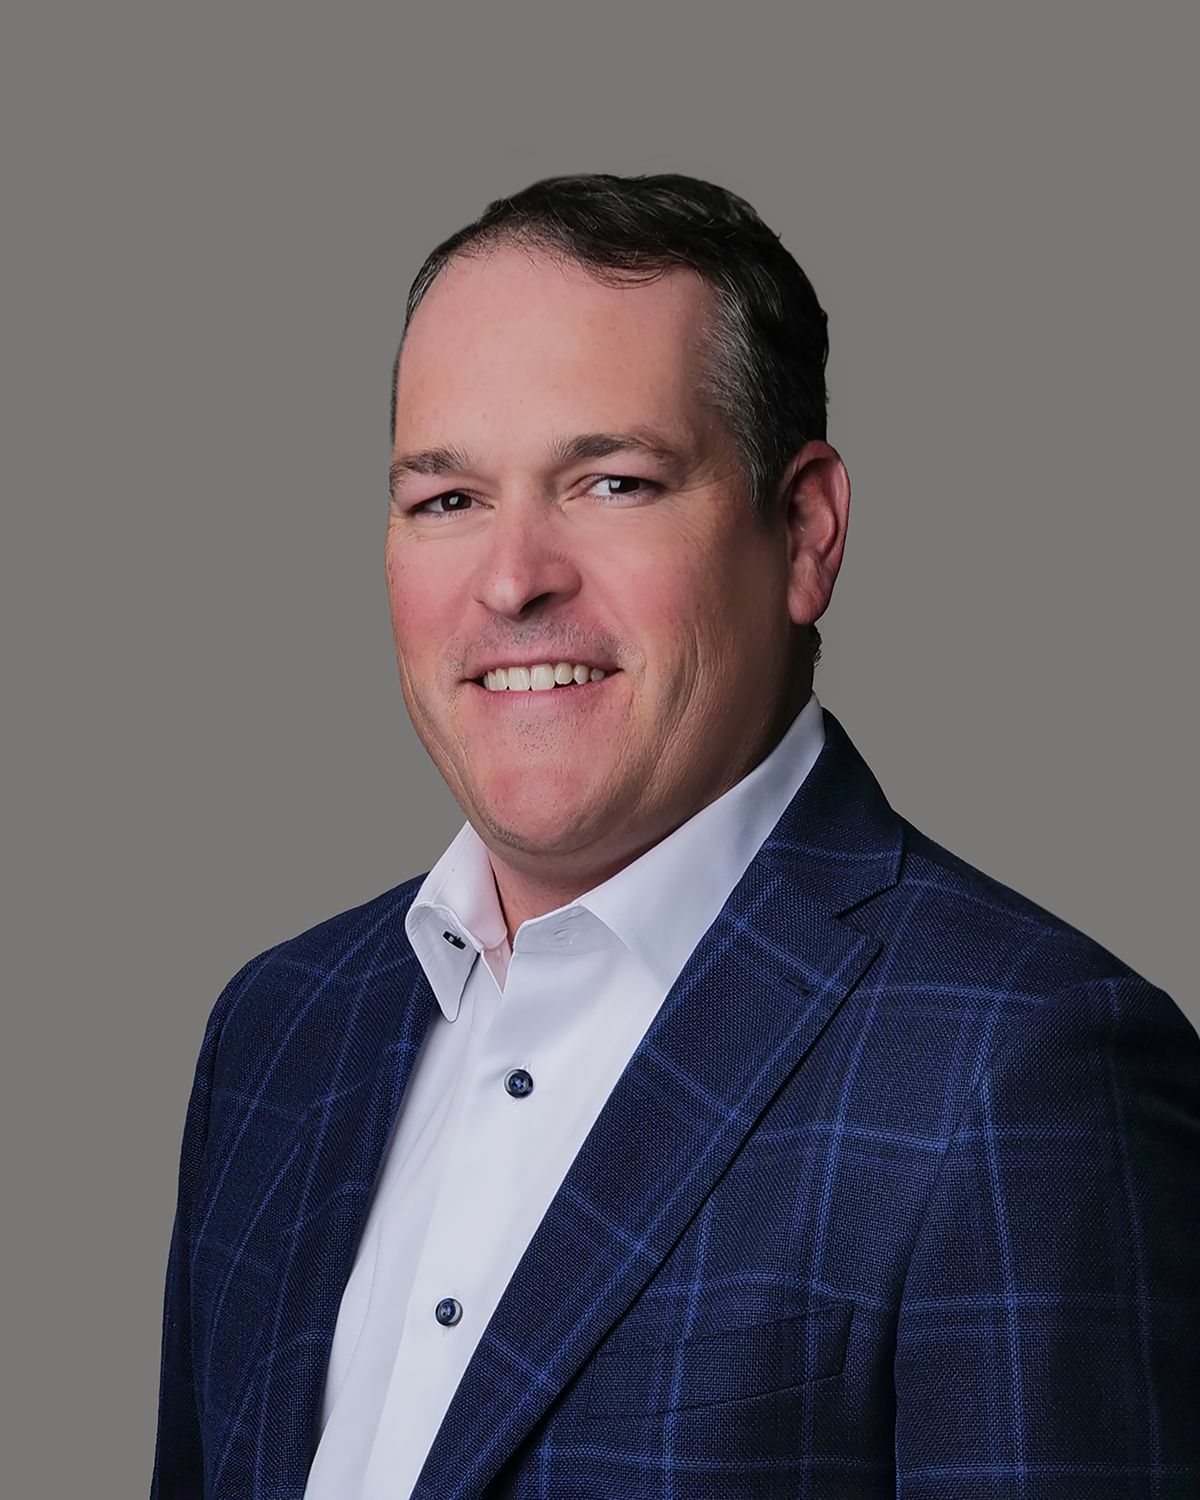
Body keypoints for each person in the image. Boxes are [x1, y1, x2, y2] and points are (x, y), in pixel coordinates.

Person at [151, 174, 1200, 1499]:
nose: (515, 575)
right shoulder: (276, 1032)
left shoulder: (1020, 1069)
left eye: (612, 481)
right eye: (447, 500)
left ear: (804, 532)